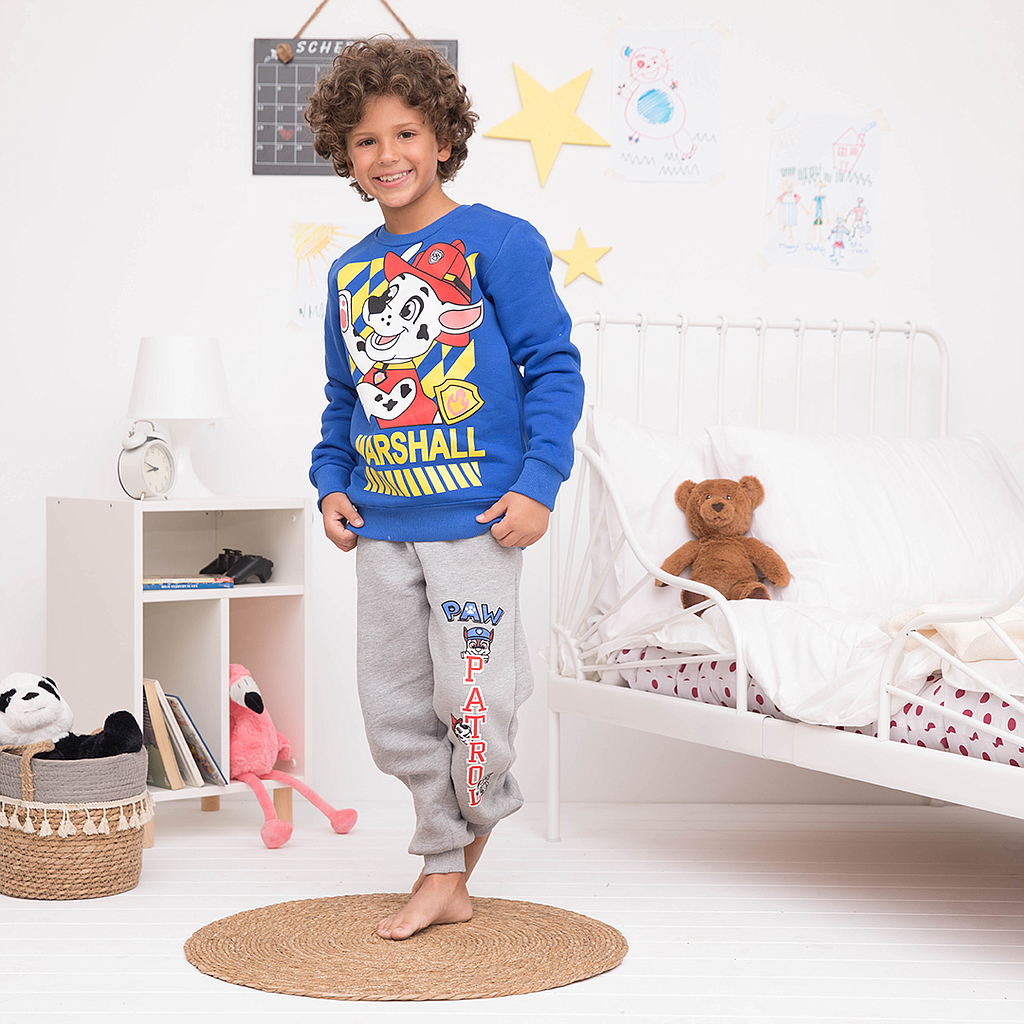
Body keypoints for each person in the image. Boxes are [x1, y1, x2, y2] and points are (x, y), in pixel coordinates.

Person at [304, 37, 584, 941]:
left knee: (474, 706)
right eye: (366, 141)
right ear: (345, 157)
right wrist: (330, 482)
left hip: (478, 525)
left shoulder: (498, 242)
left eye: (406, 133)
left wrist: (540, 482)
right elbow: (344, 396)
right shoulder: (349, 272)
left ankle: (443, 868)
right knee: (393, 713)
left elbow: (554, 367)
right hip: (381, 527)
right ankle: (444, 869)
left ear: (444, 139)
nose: (387, 156)